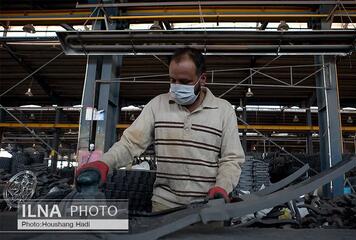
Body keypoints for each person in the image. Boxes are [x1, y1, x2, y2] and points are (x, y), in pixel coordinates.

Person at [76, 47, 245, 212]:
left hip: (209, 207)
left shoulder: (223, 110)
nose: (176, 87)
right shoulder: (157, 105)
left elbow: (232, 159)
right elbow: (129, 144)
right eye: (172, 80)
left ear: (202, 79)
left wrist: (222, 187)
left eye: (185, 82)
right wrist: (104, 163)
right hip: (164, 206)